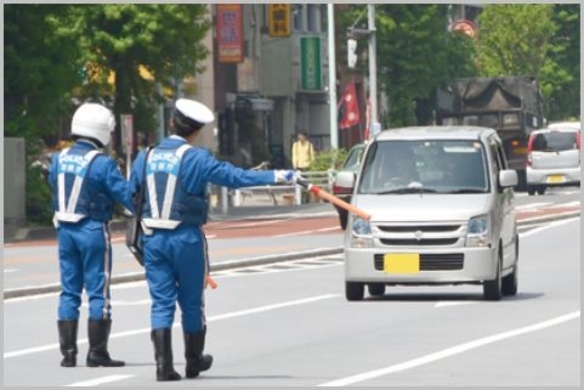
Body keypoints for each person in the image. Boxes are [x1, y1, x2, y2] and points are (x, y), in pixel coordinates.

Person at [127, 98, 295, 382]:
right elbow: (235, 177)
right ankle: (194, 360)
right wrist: (278, 175)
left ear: (171, 123)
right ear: (196, 131)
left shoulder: (145, 156)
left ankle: (163, 366)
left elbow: (131, 194)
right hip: (186, 238)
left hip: (153, 238)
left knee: (161, 301)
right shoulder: (197, 158)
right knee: (192, 301)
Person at [47, 102, 135, 368]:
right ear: (102, 132)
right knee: (98, 291)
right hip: (93, 229)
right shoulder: (102, 163)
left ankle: (68, 353)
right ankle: (97, 352)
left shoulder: (58, 159)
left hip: (64, 230)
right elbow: (126, 196)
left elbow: (54, 184)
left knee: (69, 291)